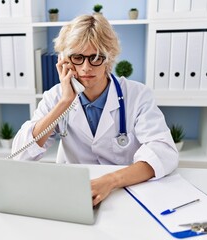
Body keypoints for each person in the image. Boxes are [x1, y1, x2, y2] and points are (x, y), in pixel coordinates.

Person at [11, 14, 178, 206]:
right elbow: (19, 156)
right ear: (64, 61)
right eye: (77, 57)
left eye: (96, 57)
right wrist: (65, 102)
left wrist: (110, 181)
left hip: (123, 190)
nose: (85, 67)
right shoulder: (55, 98)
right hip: (75, 193)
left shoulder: (137, 95)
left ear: (109, 58)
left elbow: (164, 152)